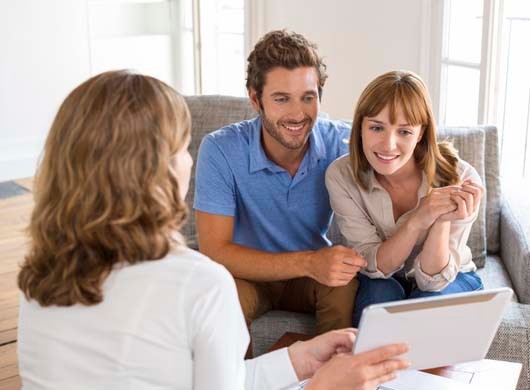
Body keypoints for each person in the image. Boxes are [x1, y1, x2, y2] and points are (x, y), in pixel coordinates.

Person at [17, 70, 409, 389]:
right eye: (182, 149)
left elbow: (217, 382)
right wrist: (323, 387)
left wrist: (299, 361)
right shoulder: (199, 284)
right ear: (160, 172)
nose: (190, 161)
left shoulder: (41, 277)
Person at [194, 30, 365, 341]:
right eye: (282, 99)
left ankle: (331, 382)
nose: (297, 114)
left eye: (308, 98)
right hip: (246, 275)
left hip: (309, 281)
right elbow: (215, 252)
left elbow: (408, 153)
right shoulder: (220, 149)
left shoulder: (340, 143)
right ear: (255, 98)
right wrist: (309, 262)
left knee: (343, 285)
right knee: (221, 299)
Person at [325, 70, 485, 327]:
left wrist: (441, 220)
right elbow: (374, 265)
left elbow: (433, 281)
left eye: (404, 132)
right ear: (360, 128)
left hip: (449, 278)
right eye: (376, 127)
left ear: (421, 133)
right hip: (382, 277)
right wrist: (419, 219)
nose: (388, 145)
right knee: (378, 298)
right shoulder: (341, 176)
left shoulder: (462, 177)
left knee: (427, 304)